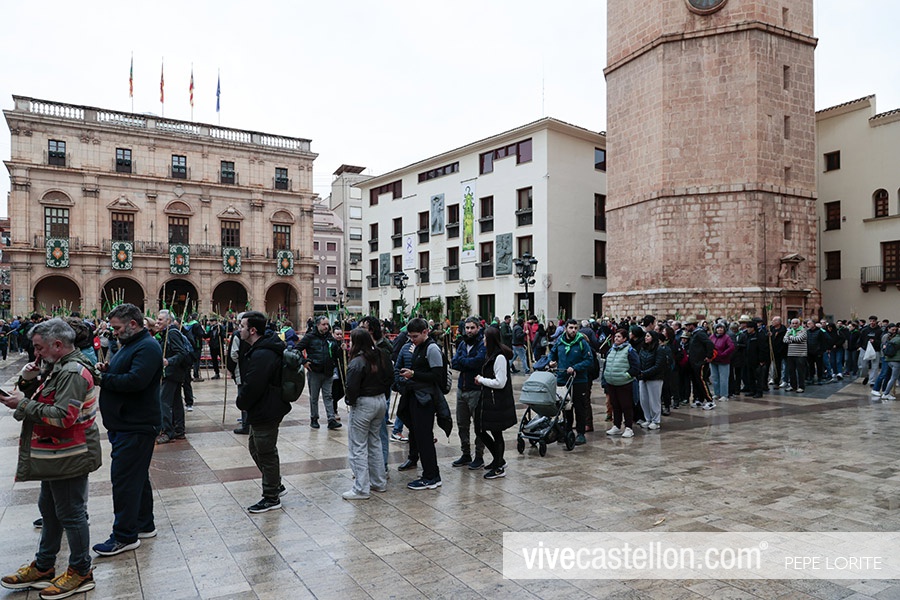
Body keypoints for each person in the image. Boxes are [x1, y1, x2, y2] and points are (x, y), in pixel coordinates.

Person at [0, 319, 100, 597]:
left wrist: (22, 404)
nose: (36, 353)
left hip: (70, 453)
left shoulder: (72, 372)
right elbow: (45, 398)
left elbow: (64, 417)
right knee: (50, 509)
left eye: (39, 347)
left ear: (57, 345)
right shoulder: (58, 366)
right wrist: (28, 380)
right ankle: (44, 566)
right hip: (57, 453)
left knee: (71, 513)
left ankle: (81, 571)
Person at [92, 304, 163, 557]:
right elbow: (127, 371)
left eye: (117, 327)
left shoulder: (147, 347)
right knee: (137, 478)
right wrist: (109, 369)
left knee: (124, 481)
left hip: (136, 425)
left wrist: (103, 379)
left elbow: (136, 381)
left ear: (133, 324)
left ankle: (124, 536)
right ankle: (144, 524)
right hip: (126, 423)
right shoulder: (132, 344)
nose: (114, 332)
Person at [236, 311, 291, 513]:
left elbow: (254, 385)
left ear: (252, 330)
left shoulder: (263, 354)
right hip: (264, 407)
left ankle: (271, 496)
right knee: (255, 447)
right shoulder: (261, 348)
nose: (239, 329)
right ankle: (275, 483)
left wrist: (241, 401)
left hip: (267, 408)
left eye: (242, 326)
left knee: (266, 452)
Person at [396, 318, 453, 490]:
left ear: (425, 332)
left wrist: (413, 374)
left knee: (425, 438)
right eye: (410, 337)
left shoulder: (432, 348)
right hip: (416, 395)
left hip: (426, 399)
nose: (412, 340)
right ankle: (429, 473)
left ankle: (432, 476)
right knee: (419, 437)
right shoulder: (419, 346)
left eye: (415, 336)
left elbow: (437, 376)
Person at [342, 329, 393, 500]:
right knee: (375, 442)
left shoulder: (357, 361)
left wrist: (350, 400)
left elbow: (351, 387)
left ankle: (361, 488)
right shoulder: (381, 355)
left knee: (358, 446)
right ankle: (379, 482)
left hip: (364, 403)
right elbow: (390, 377)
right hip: (380, 400)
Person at [474, 326, 517, 479]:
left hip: (496, 401)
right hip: (489, 400)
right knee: (480, 429)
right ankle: (498, 459)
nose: (483, 340)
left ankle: (499, 466)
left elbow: (500, 382)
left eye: (485, 337)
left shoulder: (499, 357)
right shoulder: (490, 354)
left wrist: (482, 380)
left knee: (496, 433)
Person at [548, 319, 594, 446]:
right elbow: (552, 353)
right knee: (565, 406)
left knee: (579, 407)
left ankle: (580, 433)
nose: (573, 330)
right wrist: (551, 361)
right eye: (571, 328)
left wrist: (575, 368)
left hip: (578, 380)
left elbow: (589, 360)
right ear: (565, 329)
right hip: (563, 379)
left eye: (575, 328)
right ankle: (567, 431)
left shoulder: (582, 342)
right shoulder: (560, 341)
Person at [450, 317, 486, 469]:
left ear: (478, 328)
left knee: (479, 425)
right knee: (462, 424)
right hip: (461, 389)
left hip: (476, 390)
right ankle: (465, 453)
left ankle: (479, 456)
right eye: (467, 328)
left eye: (472, 328)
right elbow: (454, 362)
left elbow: (479, 362)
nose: (469, 331)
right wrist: (465, 362)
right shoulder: (462, 343)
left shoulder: (482, 344)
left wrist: (463, 362)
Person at [297, 316, 341, 430]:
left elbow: (336, 354)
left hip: (328, 371)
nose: (326, 326)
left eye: (327, 324)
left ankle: (331, 418)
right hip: (314, 371)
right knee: (314, 397)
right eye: (324, 324)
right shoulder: (310, 337)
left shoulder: (330, 338)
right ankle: (314, 418)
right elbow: (296, 349)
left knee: (328, 396)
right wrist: (304, 361)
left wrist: (339, 347)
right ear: (317, 325)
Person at [154, 310, 191, 444]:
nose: (157, 322)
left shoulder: (172, 333)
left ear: (168, 321)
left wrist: (168, 361)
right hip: (175, 373)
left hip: (172, 373)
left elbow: (181, 353)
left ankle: (167, 432)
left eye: (160, 320)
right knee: (176, 402)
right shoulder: (167, 333)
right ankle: (179, 430)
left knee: (163, 401)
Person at [602, 330, 640, 438]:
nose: (616, 338)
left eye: (619, 337)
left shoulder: (630, 350)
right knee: (615, 405)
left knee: (626, 405)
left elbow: (636, 366)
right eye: (616, 336)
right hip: (612, 382)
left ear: (624, 339)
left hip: (624, 383)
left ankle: (628, 427)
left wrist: (627, 375)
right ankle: (617, 426)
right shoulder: (611, 350)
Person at [684, 317, 715, 409]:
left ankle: (710, 400)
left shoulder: (700, 333)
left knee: (702, 381)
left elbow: (709, 344)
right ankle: (699, 399)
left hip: (700, 361)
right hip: (694, 362)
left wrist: (709, 356)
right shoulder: (694, 334)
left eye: (688, 325)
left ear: (692, 325)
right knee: (696, 381)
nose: (686, 327)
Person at [637, 331, 666, 430]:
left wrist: (645, 373)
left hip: (655, 378)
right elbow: (639, 361)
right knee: (644, 399)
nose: (646, 337)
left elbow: (658, 365)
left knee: (654, 400)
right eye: (646, 336)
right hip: (643, 378)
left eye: (648, 336)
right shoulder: (643, 349)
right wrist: (640, 372)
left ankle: (656, 420)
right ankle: (648, 418)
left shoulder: (659, 349)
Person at [709, 323, 734, 401]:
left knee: (723, 378)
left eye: (721, 328)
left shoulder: (726, 337)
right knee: (715, 378)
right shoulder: (712, 337)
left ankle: (724, 395)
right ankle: (717, 393)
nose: (719, 329)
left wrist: (724, 354)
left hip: (723, 361)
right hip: (713, 360)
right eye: (718, 328)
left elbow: (731, 347)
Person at [784, 318, 808, 393]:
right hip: (791, 354)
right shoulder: (789, 331)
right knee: (791, 371)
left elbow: (799, 339)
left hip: (800, 354)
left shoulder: (803, 331)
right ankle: (793, 386)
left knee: (800, 371)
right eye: (793, 323)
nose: (794, 325)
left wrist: (790, 337)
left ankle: (801, 386)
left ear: (799, 324)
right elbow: (784, 340)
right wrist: (792, 338)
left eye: (796, 323)